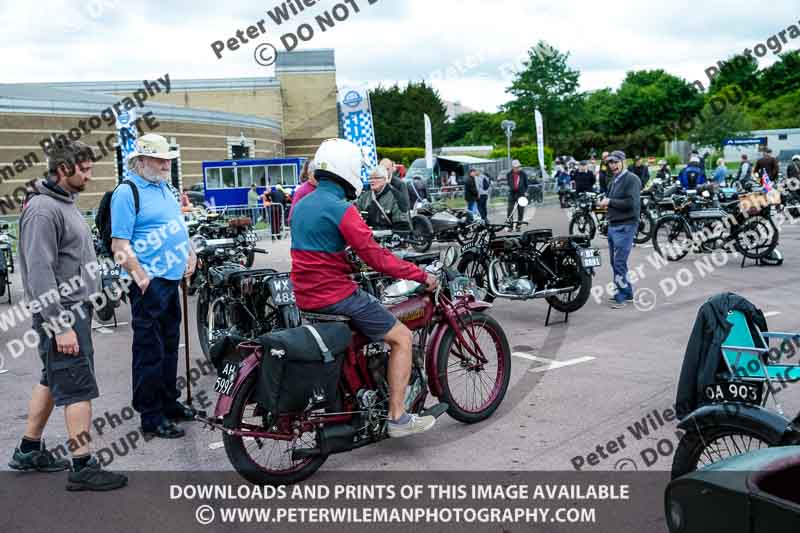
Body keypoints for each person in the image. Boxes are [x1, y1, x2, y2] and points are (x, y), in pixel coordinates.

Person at [291, 138, 438, 438]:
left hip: (305, 296)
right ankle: (397, 417)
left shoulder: (301, 204)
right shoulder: (341, 209)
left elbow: (318, 249)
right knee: (401, 337)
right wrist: (420, 275)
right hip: (336, 296)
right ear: (347, 170)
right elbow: (377, 257)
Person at [9, 140, 127, 491]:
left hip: (73, 310)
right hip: (62, 315)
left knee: (52, 377)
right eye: (85, 169)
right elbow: (39, 273)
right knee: (77, 388)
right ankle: (82, 466)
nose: (89, 175)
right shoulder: (44, 210)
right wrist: (60, 325)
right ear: (64, 169)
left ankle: (28, 450)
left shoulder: (64, 203)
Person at [111, 133, 196, 440]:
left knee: (170, 345)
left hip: (171, 279)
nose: (166, 165)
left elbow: (177, 226)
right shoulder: (127, 192)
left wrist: (190, 253)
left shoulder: (165, 188)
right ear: (142, 160)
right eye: (160, 160)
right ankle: (151, 415)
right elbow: (119, 244)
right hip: (149, 284)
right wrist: (140, 275)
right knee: (150, 350)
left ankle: (168, 402)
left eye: (168, 160)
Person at [598, 151, 640, 309]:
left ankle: (620, 297)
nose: (612, 165)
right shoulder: (614, 180)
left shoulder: (632, 179)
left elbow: (631, 203)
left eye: (615, 162)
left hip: (626, 225)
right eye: (610, 162)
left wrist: (610, 201)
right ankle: (627, 293)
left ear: (623, 162)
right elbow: (613, 202)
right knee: (615, 262)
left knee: (619, 262)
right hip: (614, 224)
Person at [355, 165, 408, 230]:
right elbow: (355, 214)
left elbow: (402, 225)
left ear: (385, 179)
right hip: (367, 236)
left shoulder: (396, 196)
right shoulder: (365, 196)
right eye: (370, 178)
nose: (372, 181)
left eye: (376, 178)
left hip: (387, 237)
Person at [288, 159, 317, 224]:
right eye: (316, 174)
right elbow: (292, 217)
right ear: (309, 174)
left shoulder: (322, 187)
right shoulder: (302, 191)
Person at [506, 160, 528, 228]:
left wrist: (525, 191)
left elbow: (526, 184)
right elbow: (509, 183)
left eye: (518, 167)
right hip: (512, 194)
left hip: (521, 194)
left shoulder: (523, 174)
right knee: (510, 210)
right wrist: (512, 188)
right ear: (512, 167)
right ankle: (510, 225)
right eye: (516, 167)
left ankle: (519, 225)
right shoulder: (509, 174)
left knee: (521, 211)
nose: (517, 168)